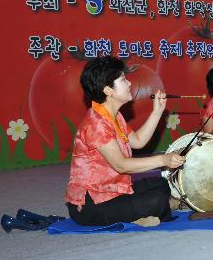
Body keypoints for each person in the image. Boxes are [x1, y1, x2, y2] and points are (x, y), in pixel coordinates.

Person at [65, 56, 185, 227]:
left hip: (115, 191)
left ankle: (142, 213)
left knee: (161, 184)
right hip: (90, 205)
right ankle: (148, 212)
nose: (129, 83)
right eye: (123, 79)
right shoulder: (96, 124)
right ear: (108, 90)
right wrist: (163, 160)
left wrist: (157, 112)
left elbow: (137, 142)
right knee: (157, 200)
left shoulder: (114, 116)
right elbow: (121, 165)